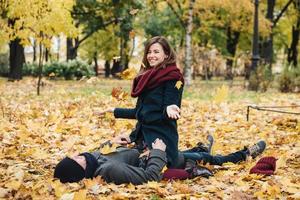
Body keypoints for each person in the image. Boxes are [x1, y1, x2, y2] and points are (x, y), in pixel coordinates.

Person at [96, 36, 184, 168]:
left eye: (156, 52)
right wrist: (113, 111)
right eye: (149, 52)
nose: (151, 55)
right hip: (142, 137)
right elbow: (140, 112)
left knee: (168, 169)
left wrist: (170, 108)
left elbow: (171, 103)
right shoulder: (146, 78)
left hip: (161, 138)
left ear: (166, 54)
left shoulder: (174, 78)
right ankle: (201, 152)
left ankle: (215, 159)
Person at [54, 135, 266, 184]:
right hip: (155, 161)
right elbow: (149, 176)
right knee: (202, 157)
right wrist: (157, 151)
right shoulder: (109, 170)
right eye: (76, 159)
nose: (78, 155)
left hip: (145, 152)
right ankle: (243, 155)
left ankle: (200, 148)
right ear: (81, 171)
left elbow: (100, 153)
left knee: (191, 152)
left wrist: (113, 141)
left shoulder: (93, 160)